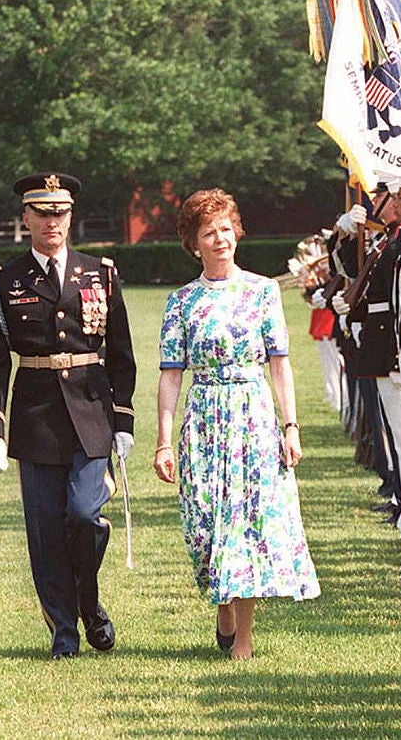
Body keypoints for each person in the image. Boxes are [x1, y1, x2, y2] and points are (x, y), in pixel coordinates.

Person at [153, 188, 320, 660]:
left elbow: (280, 365)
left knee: (245, 527)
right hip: (204, 418)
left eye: (227, 229)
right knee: (205, 527)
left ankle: (243, 637)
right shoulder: (181, 301)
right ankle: (222, 605)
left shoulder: (263, 291)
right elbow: (170, 375)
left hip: (252, 419)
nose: (220, 239)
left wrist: (291, 427)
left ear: (237, 232)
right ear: (194, 243)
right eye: (210, 232)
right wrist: (164, 441)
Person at [0, 172, 136, 659]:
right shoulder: (4, 280)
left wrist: (124, 419)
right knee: (47, 531)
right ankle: (64, 632)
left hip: (91, 413)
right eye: (42, 213)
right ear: (25, 219)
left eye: (61, 213)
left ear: (71, 217)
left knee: (85, 515)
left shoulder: (100, 273)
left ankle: (89, 604)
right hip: (37, 415)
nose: (52, 222)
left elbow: (122, 352)